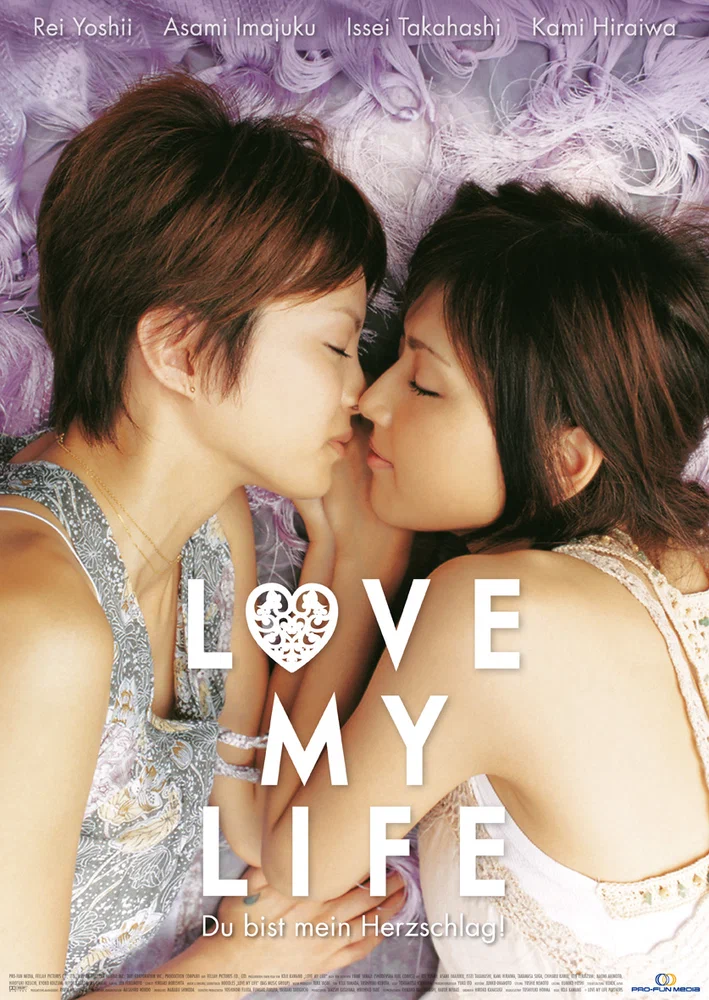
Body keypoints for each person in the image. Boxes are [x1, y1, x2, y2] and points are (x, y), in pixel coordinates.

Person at [0, 72, 408, 999]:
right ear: (179, 349)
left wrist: (359, 562)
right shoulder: (38, 625)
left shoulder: (209, 537)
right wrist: (234, 965)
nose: (360, 391)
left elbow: (261, 824)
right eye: (335, 344)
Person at [260, 181, 709, 995]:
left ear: (564, 460)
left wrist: (361, 559)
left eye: (424, 385)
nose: (370, 398)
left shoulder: (493, 614)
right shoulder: (688, 549)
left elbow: (289, 872)